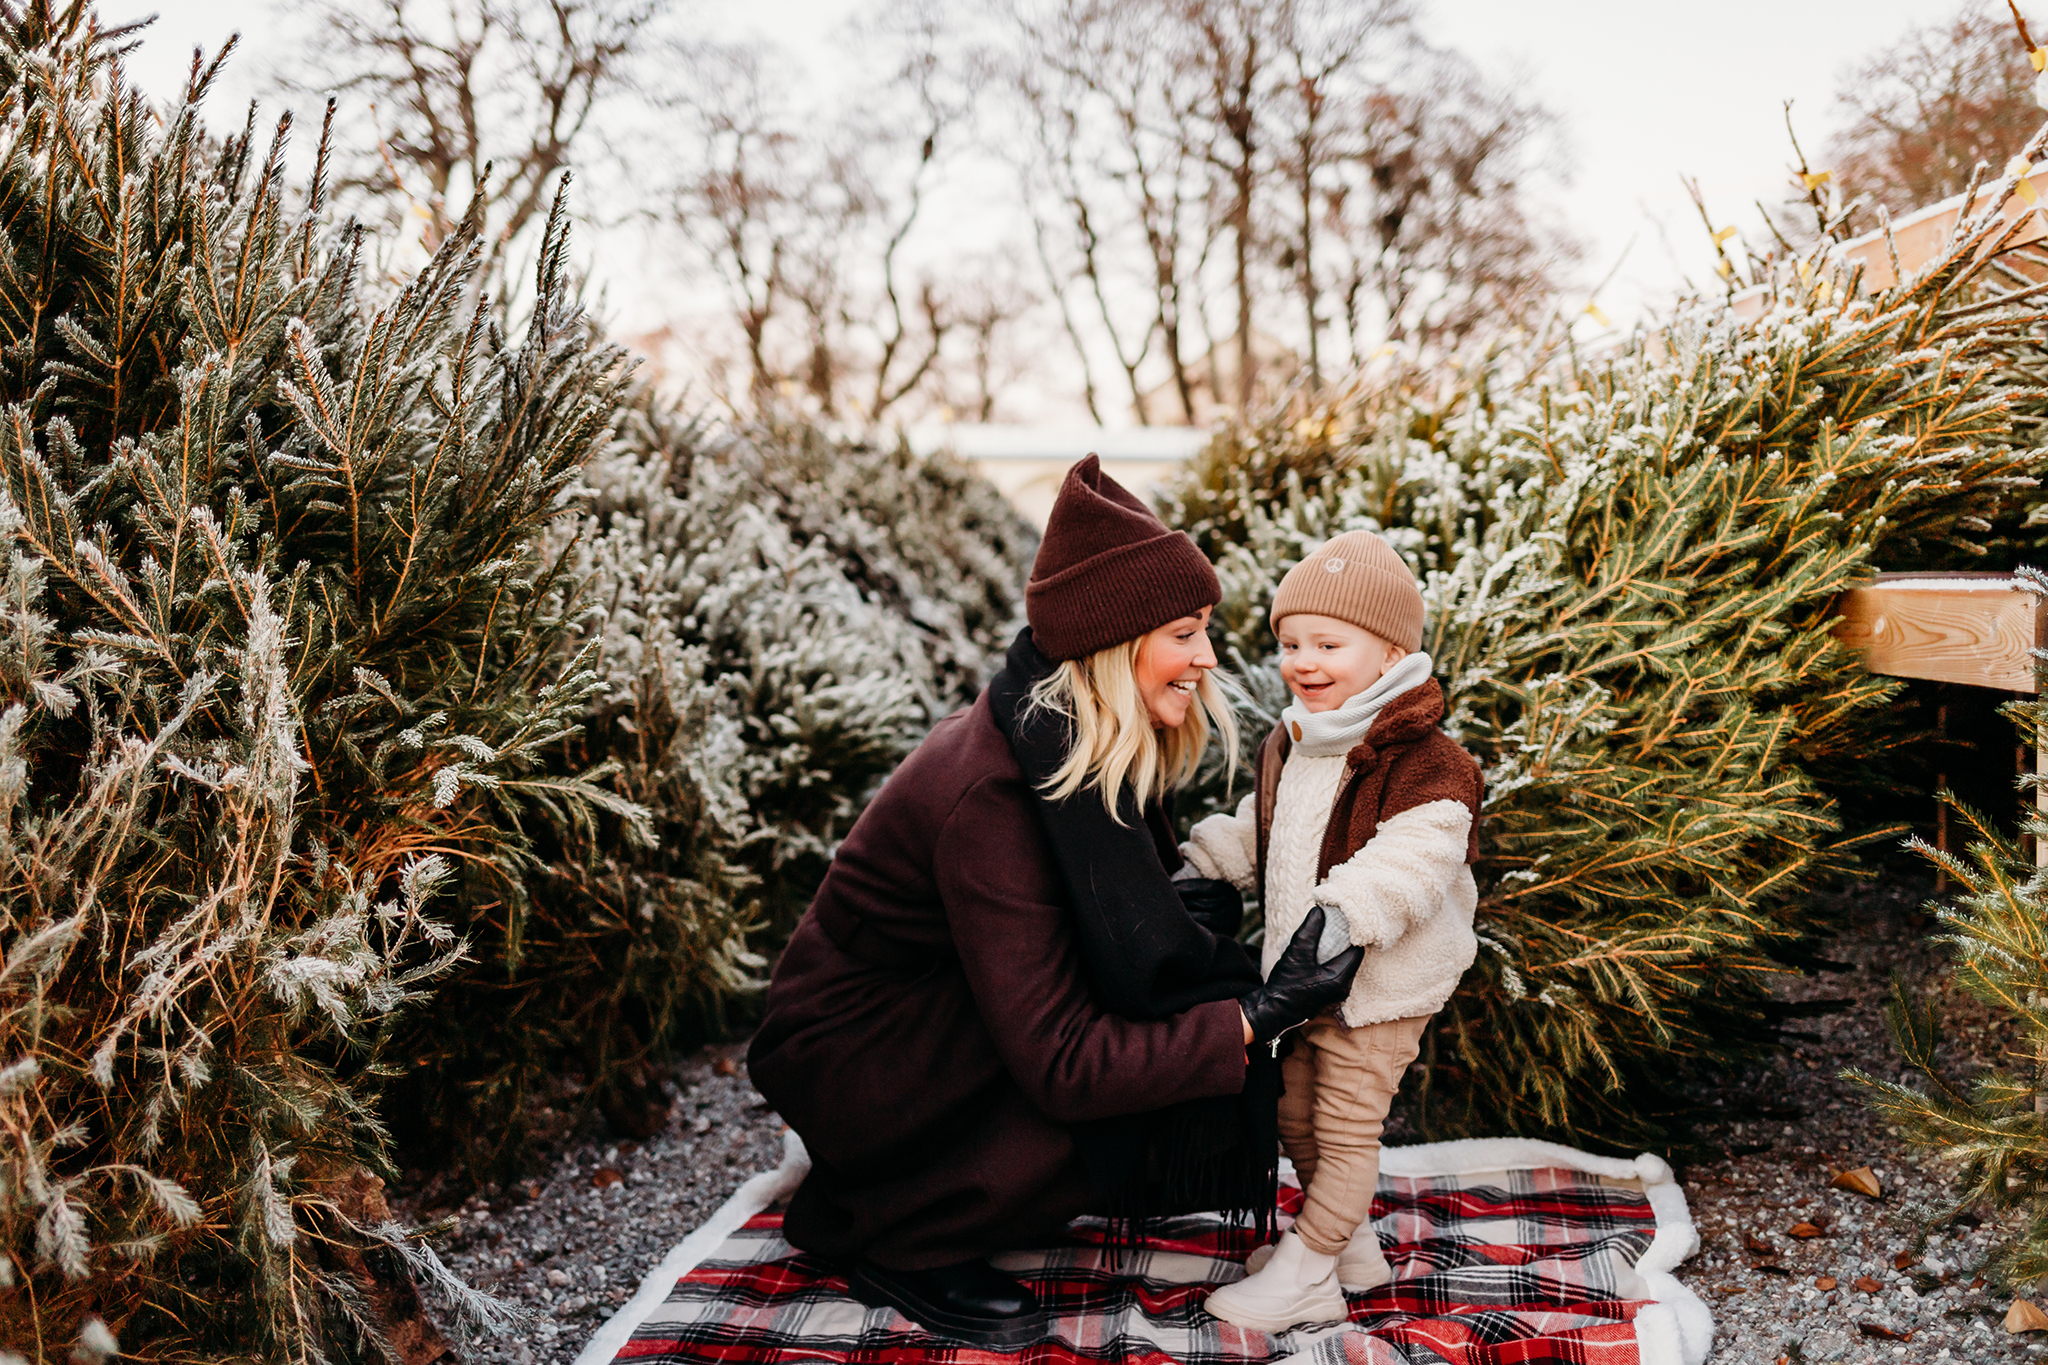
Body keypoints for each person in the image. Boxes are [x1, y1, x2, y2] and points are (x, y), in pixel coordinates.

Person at [746, 457, 1362, 1348]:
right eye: (1185, 632)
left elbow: (1119, 940)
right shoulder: (990, 797)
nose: (1207, 658)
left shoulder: (1077, 743)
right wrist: (1249, 1018)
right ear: (1116, 640)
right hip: (859, 1059)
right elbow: (1063, 1060)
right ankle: (905, 1229)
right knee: (1103, 1065)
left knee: (1151, 1008)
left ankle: (949, 1184)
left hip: (927, 1018)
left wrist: (1190, 920)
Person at [1182, 529, 1483, 1332]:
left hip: (1380, 979)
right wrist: (1206, 861)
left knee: (1346, 1121)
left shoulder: (1427, 760)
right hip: (1309, 975)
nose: (1303, 660)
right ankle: (1344, 1247)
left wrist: (1342, 914)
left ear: (1389, 655)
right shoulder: (1297, 740)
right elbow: (1270, 827)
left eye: (1328, 643)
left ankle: (1309, 1268)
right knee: (1295, 1113)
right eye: (1290, 642)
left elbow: (1414, 858)